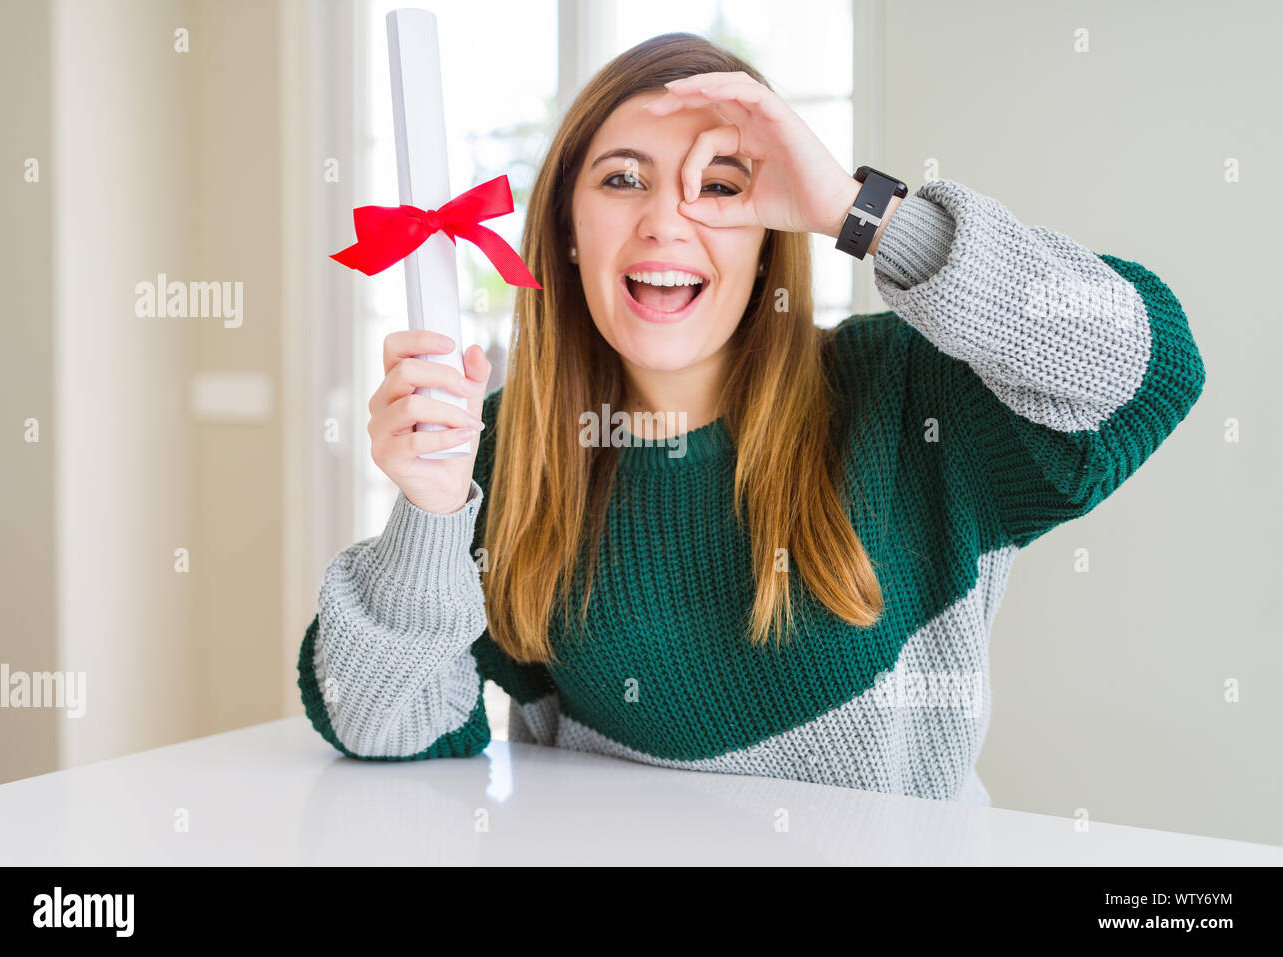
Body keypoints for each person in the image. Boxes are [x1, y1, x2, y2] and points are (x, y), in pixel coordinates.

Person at [297, 33, 1206, 806]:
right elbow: (382, 726)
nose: (665, 222)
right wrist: (427, 513)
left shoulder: (909, 392)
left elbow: (1151, 367)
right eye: (622, 180)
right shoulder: (508, 452)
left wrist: (863, 212)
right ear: (569, 229)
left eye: (720, 186)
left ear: (774, 225)